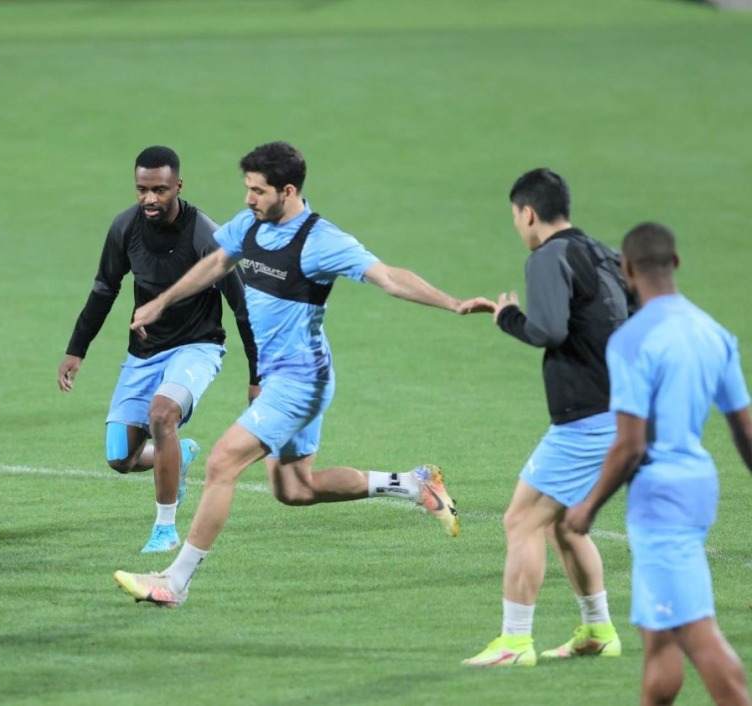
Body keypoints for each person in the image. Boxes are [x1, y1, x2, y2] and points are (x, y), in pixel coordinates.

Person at [114, 141, 493, 606]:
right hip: (282, 379)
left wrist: (453, 303)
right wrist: (162, 300)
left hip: (300, 382)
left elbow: (390, 277)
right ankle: (415, 484)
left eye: (258, 191)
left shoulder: (321, 241)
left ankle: (175, 582)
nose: (249, 199)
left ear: (288, 190)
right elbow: (215, 263)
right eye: (247, 189)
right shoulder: (250, 225)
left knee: (221, 463)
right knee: (295, 489)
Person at [565, 222, 752, 705]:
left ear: (626, 270)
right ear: (677, 264)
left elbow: (629, 446)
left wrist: (587, 507)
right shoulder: (714, 333)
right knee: (660, 637)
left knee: (696, 632)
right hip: (698, 486)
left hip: (660, 501)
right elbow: (746, 432)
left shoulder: (631, 340)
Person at [462, 169, 629, 666]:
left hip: (587, 419)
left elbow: (548, 330)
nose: (518, 225)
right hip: (622, 412)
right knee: (563, 526)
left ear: (528, 213)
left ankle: (514, 642)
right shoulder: (606, 254)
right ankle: (598, 631)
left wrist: (507, 317)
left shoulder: (547, 256)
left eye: (516, 217)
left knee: (522, 521)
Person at [58, 145, 258, 553]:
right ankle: (178, 456)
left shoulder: (206, 235)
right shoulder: (125, 228)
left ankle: (164, 530)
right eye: (142, 189)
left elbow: (243, 308)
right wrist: (76, 349)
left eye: (160, 190)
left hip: (196, 348)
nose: (150, 198)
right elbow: (103, 291)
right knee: (120, 458)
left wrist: (258, 375)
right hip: (144, 354)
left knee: (162, 414)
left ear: (178, 186)